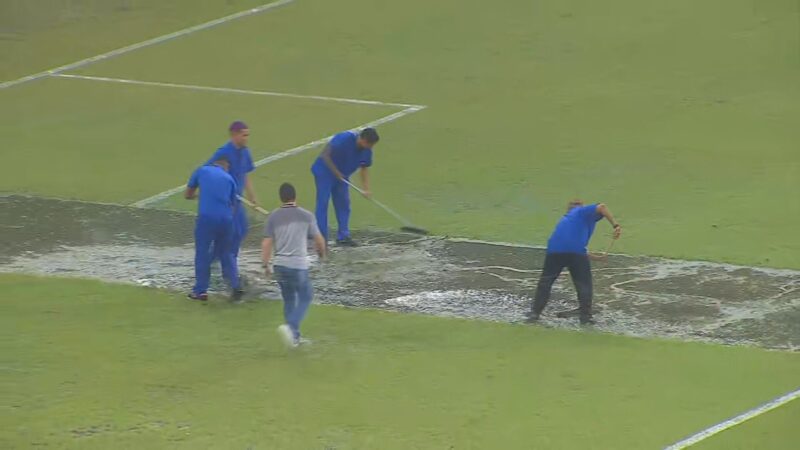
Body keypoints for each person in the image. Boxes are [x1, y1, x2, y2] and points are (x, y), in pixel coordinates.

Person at [526, 200, 621, 325]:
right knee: (584, 284)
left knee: (546, 282)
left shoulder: (566, 219)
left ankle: (535, 313)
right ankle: (585, 317)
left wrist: (596, 258)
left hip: (554, 250)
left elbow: (571, 246)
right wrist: (616, 226)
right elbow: (602, 207)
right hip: (575, 253)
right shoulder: (580, 211)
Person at [262, 183, 327, 348]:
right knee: (306, 296)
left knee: (289, 299)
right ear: (295, 196)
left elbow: (267, 243)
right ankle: (291, 327)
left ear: (281, 197)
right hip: (298, 265)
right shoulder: (307, 215)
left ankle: (294, 339)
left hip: (279, 265)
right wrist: (321, 256)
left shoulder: (273, 217)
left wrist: (265, 264)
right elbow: (319, 240)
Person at [184, 156, 244, 302]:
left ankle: (201, 291)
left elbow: (188, 194)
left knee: (202, 253)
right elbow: (233, 206)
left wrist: (199, 196)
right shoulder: (230, 179)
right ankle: (235, 287)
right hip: (226, 220)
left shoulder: (202, 170)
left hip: (206, 218)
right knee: (227, 253)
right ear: (225, 166)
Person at [310, 127, 380, 246]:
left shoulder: (367, 149)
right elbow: (325, 155)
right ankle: (321, 237)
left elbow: (364, 168)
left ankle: (343, 236)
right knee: (323, 203)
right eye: (369, 144)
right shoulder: (343, 139)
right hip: (324, 172)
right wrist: (336, 172)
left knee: (343, 204)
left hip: (342, 175)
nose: (370, 147)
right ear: (362, 139)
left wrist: (366, 188)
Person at [205, 121, 260, 259]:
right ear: (234, 135)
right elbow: (207, 171)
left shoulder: (245, 152)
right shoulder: (223, 153)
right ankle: (221, 259)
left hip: (238, 200)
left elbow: (245, 174)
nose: (246, 138)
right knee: (232, 232)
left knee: (241, 230)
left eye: (247, 135)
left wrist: (252, 195)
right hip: (225, 202)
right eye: (244, 135)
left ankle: (225, 258)